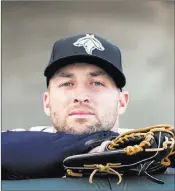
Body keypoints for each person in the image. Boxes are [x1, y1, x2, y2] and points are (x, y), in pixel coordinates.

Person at [2, 33, 174, 180]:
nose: (81, 97)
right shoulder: (19, 143)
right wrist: (101, 146)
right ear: (46, 102)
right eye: (67, 84)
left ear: (122, 101)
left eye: (97, 83)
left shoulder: (150, 147)